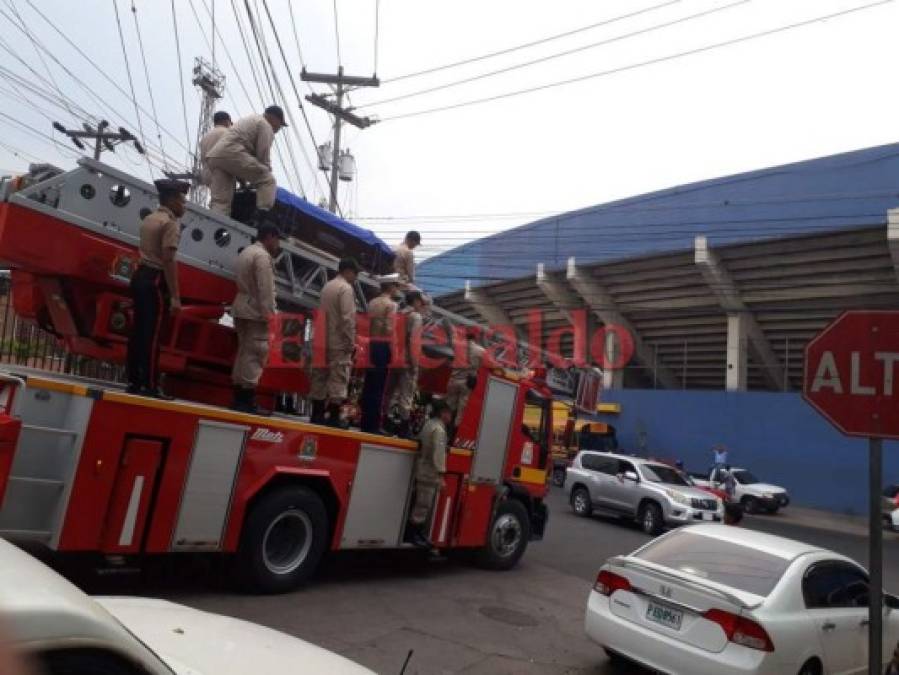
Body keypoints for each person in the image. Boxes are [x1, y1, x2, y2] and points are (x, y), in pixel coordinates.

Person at [126, 178, 189, 399]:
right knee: (153, 335)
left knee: (138, 331)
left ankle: (134, 381)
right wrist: (175, 296)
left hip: (139, 275)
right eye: (182, 200)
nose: (184, 205)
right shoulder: (170, 224)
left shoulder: (150, 219)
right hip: (154, 279)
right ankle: (151, 385)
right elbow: (169, 260)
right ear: (171, 200)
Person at [230, 223, 280, 414]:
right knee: (256, 354)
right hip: (256, 312)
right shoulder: (262, 257)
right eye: (277, 240)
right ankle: (248, 401)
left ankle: (238, 397)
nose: (278, 245)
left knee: (243, 352)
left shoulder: (247, 251)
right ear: (270, 237)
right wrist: (271, 317)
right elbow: (265, 290)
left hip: (241, 306)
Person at [205, 105, 287, 219]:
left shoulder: (250, 119)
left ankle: (213, 226)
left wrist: (244, 183)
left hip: (215, 157)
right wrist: (265, 170)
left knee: (221, 201)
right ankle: (262, 217)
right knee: (268, 180)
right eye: (280, 124)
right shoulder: (265, 125)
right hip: (232, 154)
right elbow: (263, 156)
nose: (279, 128)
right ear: (275, 118)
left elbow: (243, 164)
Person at [309, 257, 360, 427]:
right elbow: (347, 318)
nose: (355, 278)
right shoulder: (345, 289)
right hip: (338, 340)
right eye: (355, 274)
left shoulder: (327, 286)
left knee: (319, 377)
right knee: (338, 378)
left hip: (322, 338)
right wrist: (350, 341)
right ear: (348, 271)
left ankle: (316, 414)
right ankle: (333, 417)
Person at [407, 399, 451, 547]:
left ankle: (416, 534)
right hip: (429, 472)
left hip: (421, 467)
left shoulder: (429, 424)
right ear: (443, 413)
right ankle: (415, 534)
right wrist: (441, 474)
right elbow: (438, 454)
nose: (450, 416)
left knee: (420, 503)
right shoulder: (439, 430)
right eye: (448, 413)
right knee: (423, 505)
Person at [359, 274, 399, 433]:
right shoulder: (391, 305)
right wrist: (394, 349)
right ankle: (373, 425)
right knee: (378, 387)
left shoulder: (372, 303)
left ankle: (364, 421)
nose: (396, 289)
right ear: (390, 287)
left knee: (368, 385)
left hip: (371, 343)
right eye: (395, 285)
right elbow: (390, 328)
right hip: (383, 345)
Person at [386, 290, 426, 438]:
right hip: (407, 360)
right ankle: (404, 427)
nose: (421, 305)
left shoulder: (398, 314)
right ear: (415, 301)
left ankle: (387, 422)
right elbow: (414, 341)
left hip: (394, 358)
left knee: (391, 392)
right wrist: (415, 364)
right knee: (406, 394)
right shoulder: (415, 317)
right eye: (420, 302)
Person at [445, 337, 486, 427]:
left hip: (454, 380)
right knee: (461, 411)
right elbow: (488, 364)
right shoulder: (481, 351)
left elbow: (448, 361)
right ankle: (455, 430)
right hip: (467, 383)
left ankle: (444, 426)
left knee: (449, 406)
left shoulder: (457, 345)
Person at [198, 111, 232, 186]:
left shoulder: (205, 137)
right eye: (230, 123)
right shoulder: (228, 133)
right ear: (227, 121)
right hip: (222, 175)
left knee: (215, 196)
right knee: (223, 197)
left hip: (207, 176)